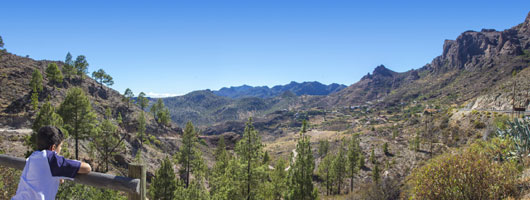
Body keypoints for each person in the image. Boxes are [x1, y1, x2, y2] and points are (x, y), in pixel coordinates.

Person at [12, 126, 92, 200]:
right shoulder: (51, 159)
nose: (60, 149)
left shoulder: (33, 157)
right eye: (60, 146)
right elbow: (87, 168)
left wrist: (58, 174)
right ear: (53, 147)